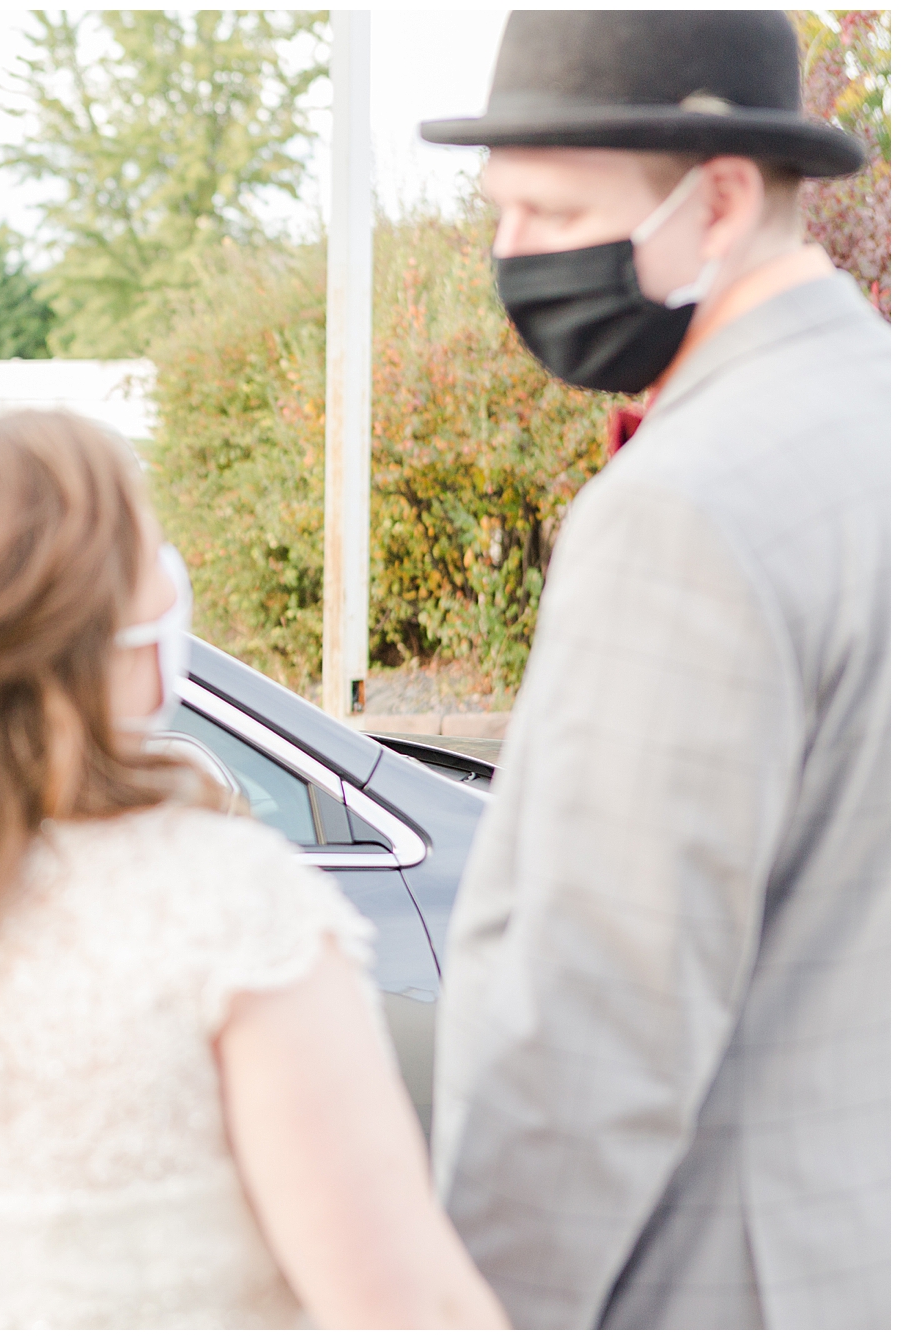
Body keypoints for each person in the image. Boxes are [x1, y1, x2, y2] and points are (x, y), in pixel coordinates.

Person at [0, 412, 507, 1328]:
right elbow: (401, 1304)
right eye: (144, 548)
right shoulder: (223, 904)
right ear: (73, 630)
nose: (166, 579)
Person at [418, 11, 889, 1329]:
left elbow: (593, 1024)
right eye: (501, 213)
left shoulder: (689, 503)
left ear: (722, 195)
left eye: (553, 209)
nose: (514, 258)